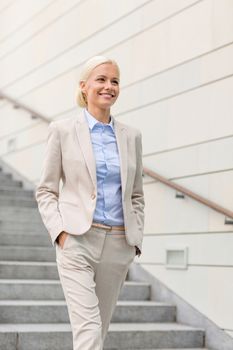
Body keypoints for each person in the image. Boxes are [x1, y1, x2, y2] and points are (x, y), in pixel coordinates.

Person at [35, 55, 145, 350]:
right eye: (101, 79)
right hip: (77, 241)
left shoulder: (131, 136)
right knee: (89, 331)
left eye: (115, 81)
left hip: (119, 243)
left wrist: (135, 237)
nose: (109, 86)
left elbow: (136, 194)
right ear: (84, 87)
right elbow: (46, 190)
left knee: (100, 329)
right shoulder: (62, 131)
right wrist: (59, 233)